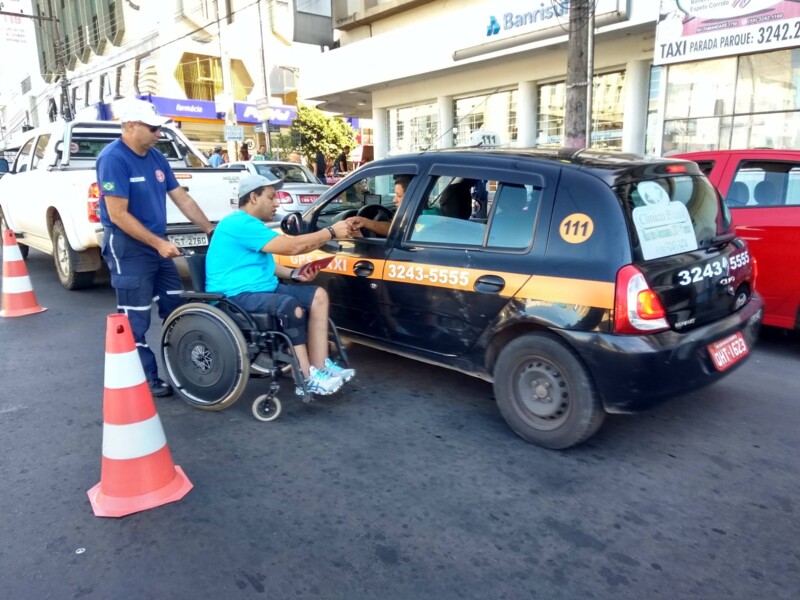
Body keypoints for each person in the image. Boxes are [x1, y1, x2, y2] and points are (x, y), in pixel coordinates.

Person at [96, 98, 215, 397]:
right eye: (153, 128)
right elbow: (118, 215)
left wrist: (210, 229)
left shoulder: (156, 157)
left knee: (176, 305)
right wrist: (158, 243)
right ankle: (146, 376)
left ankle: (184, 366)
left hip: (156, 244)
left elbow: (182, 198)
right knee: (135, 316)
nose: (158, 134)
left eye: (159, 128)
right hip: (128, 246)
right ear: (130, 126)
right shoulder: (113, 159)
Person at [205, 174, 356, 396]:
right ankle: (305, 379)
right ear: (254, 197)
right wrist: (331, 232)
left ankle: (321, 367)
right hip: (234, 296)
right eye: (271, 197)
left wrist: (295, 274)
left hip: (262, 288)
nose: (277, 202)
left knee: (318, 296)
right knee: (290, 306)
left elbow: (266, 264)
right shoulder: (238, 223)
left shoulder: (251, 226)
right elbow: (292, 247)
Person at [346, 175, 412, 237]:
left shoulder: (419, 221)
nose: (394, 200)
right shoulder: (411, 217)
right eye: (395, 195)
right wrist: (364, 222)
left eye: (399, 196)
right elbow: (393, 228)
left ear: (412, 197)